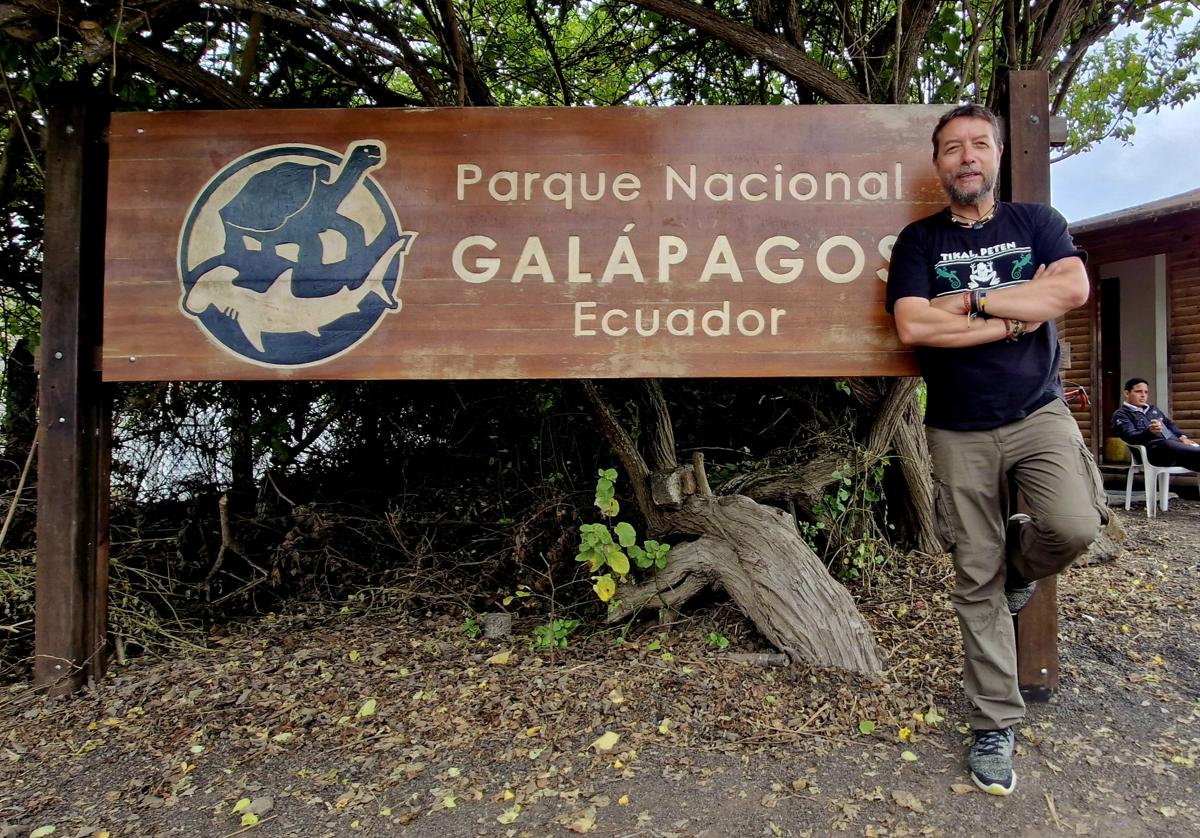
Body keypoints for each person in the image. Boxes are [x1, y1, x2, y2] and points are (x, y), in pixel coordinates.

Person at [885, 104, 1108, 797]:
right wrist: (1013, 310)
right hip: (957, 425)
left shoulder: (1036, 223)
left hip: (1038, 411)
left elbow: (1070, 289)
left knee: (1074, 525)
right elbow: (914, 326)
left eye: (978, 144)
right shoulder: (920, 242)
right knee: (974, 577)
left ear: (997, 155)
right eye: (952, 148)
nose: (966, 156)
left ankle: (1022, 555)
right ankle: (993, 721)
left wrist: (971, 306)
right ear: (939, 164)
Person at [1112, 378, 1200, 470]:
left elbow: (1170, 425)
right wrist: (1149, 432)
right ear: (1127, 393)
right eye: (1138, 392)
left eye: (1146, 392)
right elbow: (1131, 437)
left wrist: (1182, 437)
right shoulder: (1121, 415)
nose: (1143, 395)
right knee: (1167, 445)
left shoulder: (1153, 410)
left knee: (1194, 460)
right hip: (1150, 453)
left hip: (1173, 451)